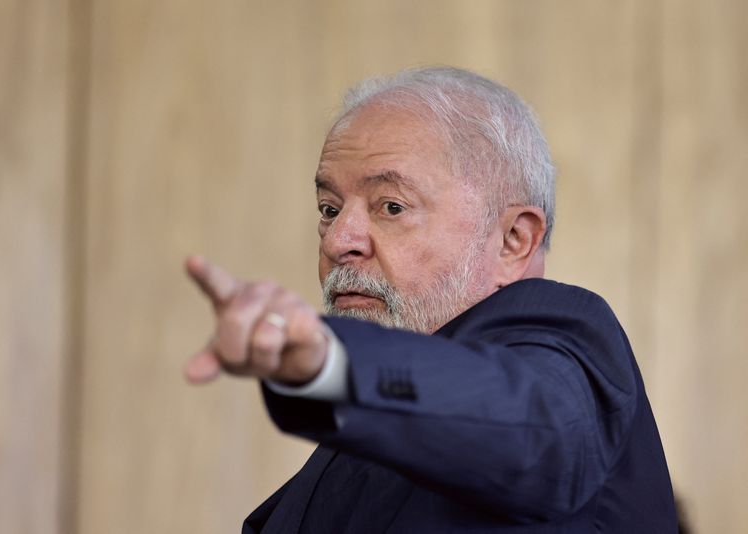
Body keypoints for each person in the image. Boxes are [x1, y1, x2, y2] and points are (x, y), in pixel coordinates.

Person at [184, 66, 678, 532]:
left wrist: (329, 361)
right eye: (329, 209)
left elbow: (530, 428)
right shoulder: (358, 436)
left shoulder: (563, 344)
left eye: (392, 206)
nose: (338, 240)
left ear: (513, 240)